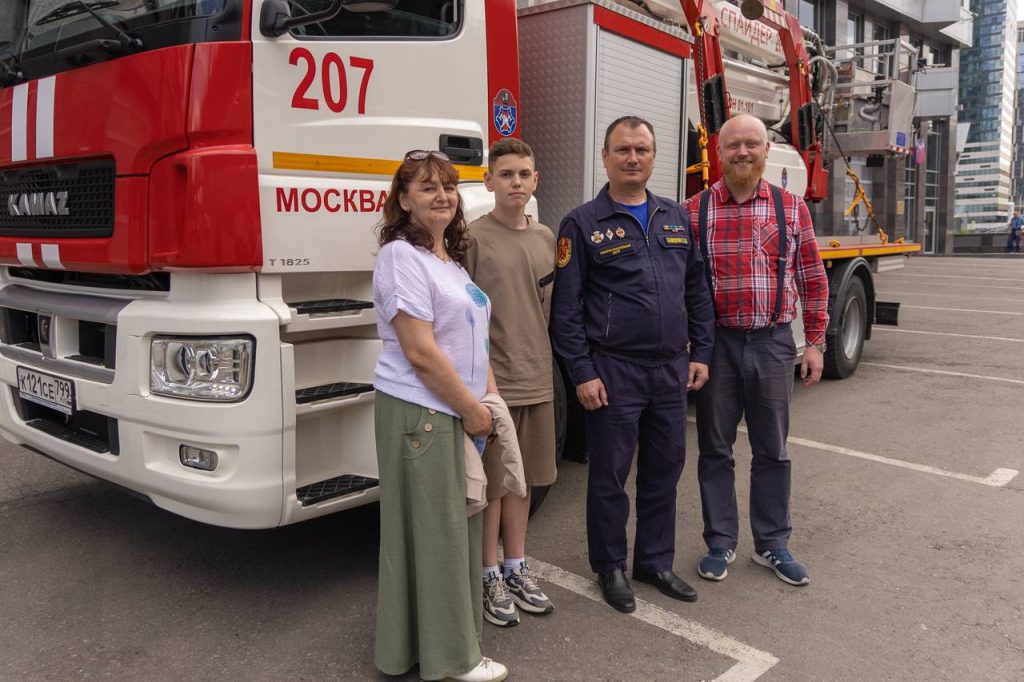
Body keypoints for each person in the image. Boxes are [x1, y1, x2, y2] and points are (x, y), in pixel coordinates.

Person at [550, 116, 716, 613]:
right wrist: (582, 372)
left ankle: (654, 561)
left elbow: (697, 292)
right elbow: (566, 312)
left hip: (670, 369)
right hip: (613, 370)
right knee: (609, 476)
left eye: (642, 149)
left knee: (665, 470)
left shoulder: (675, 218)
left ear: (653, 156)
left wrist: (701, 352)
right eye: (623, 149)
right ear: (605, 157)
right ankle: (610, 567)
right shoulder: (581, 224)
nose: (633, 158)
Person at [372, 150, 508, 682]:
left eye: (448, 186)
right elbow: (421, 352)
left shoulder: (446, 260)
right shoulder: (401, 257)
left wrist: (488, 405)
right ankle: (454, 660)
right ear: (403, 201)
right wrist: (473, 409)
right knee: (439, 535)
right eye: (427, 187)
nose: (442, 195)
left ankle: (417, 648)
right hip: (423, 410)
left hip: (452, 409)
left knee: (443, 532)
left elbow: (472, 343)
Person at [686, 113, 829, 587]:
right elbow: (683, 285)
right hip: (718, 345)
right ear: (718, 153)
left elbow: (812, 277)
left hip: (771, 343)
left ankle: (772, 544)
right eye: (733, 146)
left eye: (752, 144)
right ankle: (720, 542)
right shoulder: (695, 210)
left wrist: (814, 342)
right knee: (715, 449)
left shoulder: (792, 208)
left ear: (767, 151)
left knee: (773, 449)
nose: (743, 152)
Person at [465, 138, 557, 627]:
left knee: (523, 485)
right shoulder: (473, 239)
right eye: (506, 174)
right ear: (488, 180)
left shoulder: (545, 237)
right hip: (494, 385)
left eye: (524, 174)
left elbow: (544, 309)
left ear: (535, 181)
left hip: (538, 377)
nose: (516, 182)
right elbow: (465, 320)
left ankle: (516, 565)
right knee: (494, 488)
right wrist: (485, 383)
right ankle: (487, 574)